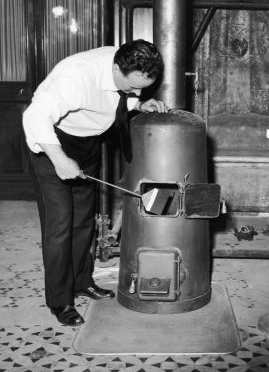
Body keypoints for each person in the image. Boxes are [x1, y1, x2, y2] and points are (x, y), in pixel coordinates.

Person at [22, 39, 168, 327]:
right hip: (52, 142)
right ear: (116, 67)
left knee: (84, 221)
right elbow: (35, 116)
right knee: (60, 225)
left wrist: (138, 102)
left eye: (143, 88)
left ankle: (81, 281)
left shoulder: (123, 64)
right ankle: (60, 300)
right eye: (132, 87)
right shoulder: (76, 75)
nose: (135, 92)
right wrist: (60, 160)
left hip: (87, 144)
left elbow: (116, 97)